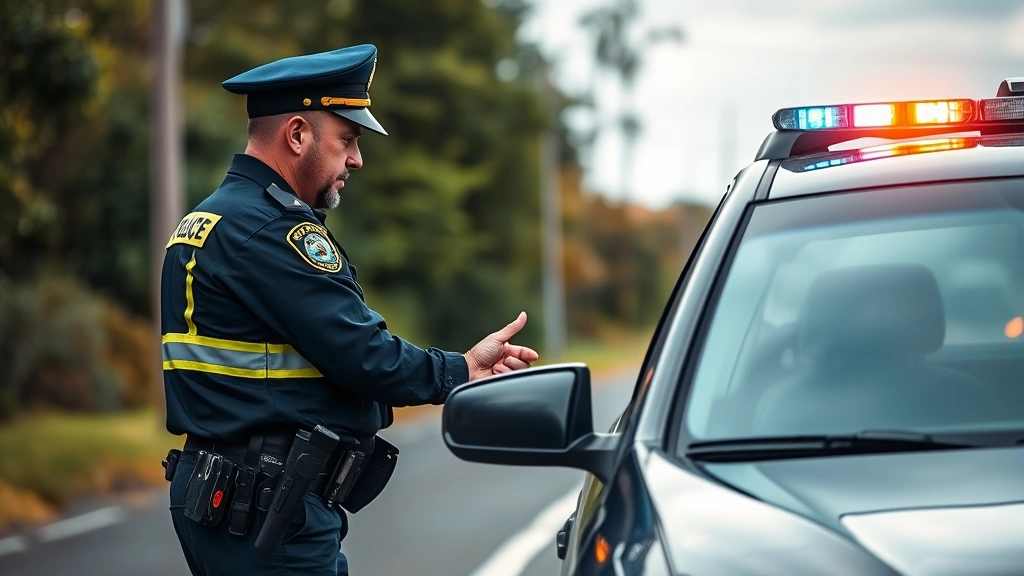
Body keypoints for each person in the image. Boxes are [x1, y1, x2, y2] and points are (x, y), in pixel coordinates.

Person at [160, 43, 539, 576]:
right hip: (267, 506)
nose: (356, 159)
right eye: (348, 139)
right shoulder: (273, 231)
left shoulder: (204, 222)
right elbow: (359, 351)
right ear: (297, 134)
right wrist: (460, 369)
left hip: (225, 495)